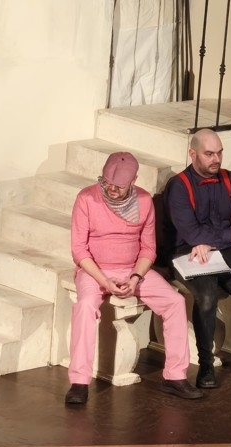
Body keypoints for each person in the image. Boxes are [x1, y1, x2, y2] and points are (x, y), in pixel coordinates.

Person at [65, 151, 203, 404]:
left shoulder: (144, 200)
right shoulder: (86, 198)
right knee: (85, 306)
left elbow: (148, 248)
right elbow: (79, 250)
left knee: (175, 302)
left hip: (134, 270)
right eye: (107, 183)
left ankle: (175, 377)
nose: (111, 189)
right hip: (94, 270)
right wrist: (104, 281)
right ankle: (79, 382)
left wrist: (136, 277)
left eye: (118, 186)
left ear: (133, 181)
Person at [163, 128, 231, 389]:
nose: (217, 159)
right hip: (186, 252)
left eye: (220, 153)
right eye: (209, 154)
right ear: (192, 154)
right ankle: (206, 364)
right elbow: (190, 233)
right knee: (206, 298)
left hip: (220, 248)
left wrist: (211, 241)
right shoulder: (178, 186)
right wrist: (221, 236)